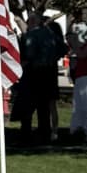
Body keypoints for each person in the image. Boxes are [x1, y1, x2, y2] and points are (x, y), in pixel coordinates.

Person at [17, 10, 64, 143]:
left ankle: (26, 135)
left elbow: (29, 54)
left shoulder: (31, 35)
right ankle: (45, 133)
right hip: (50, 72)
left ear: (33, 22)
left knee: (28, 105)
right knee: (44, 106)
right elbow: (63, 49)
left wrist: (24, 63)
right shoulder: (51, 34)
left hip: (35, 72)